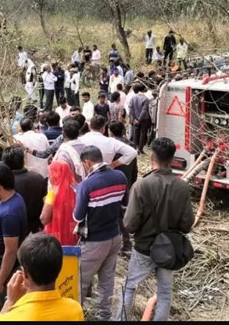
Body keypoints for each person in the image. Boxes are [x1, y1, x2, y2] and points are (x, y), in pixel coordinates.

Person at [113, 138, 195, 321]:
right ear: (173, 159)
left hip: (144, 247)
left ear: (151, 158)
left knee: (130, 287)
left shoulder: (141, 185)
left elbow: (130, 224)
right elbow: (187, 223)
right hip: (169, 249)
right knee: (165, 292)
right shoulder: (182, 186)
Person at [73, 146, 127, 321]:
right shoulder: (120, 176)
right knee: (107, 280)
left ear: (87, 162)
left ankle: (76, 315)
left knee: (81, 281)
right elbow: (123, 202)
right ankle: (104, 315)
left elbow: (78, 216)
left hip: (95, 240)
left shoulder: (87, 184)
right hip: (115, 236)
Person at [0, 233, 84, 321]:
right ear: (60, 268)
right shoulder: (75, 310)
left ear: (24, 273)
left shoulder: (10, 317)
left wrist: (9, 302)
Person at [0, 164, 28, 310]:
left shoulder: (9, 213)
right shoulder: (14, 198)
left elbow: (10, 251)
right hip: (1, 266)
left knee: (7, 307)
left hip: (5, 270)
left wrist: (0, 280)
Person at [108, 121, 138, 253]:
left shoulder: (111, 147)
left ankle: (125, 244)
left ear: (110, 132)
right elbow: (135, 168)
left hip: (114, 183)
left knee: (117, 214)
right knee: (123, 211)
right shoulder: (131, 146)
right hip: (127, 182)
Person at [2, 147, 47, 235]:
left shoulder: (5, 184)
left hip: (15, 230)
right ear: (23, 161)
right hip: (37, 228)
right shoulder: (37, 178)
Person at [41, 160, 80, 246]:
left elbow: (44, 219)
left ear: (56, 174)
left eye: (50, 173)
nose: (49, 177)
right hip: (74, 236)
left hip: (56, 239)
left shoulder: (53, 194)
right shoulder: (78, 189)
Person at [129, 84, 151, 154]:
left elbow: (131, 109)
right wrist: (139, 119)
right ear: (142, 89)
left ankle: (135, 147)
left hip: (135, 119)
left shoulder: (133, 98)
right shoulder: (145, 98)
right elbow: (144, 111)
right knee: (142, 133)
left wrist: (134, 118)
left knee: (136, 133)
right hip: (144, 119)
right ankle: (140, 149)